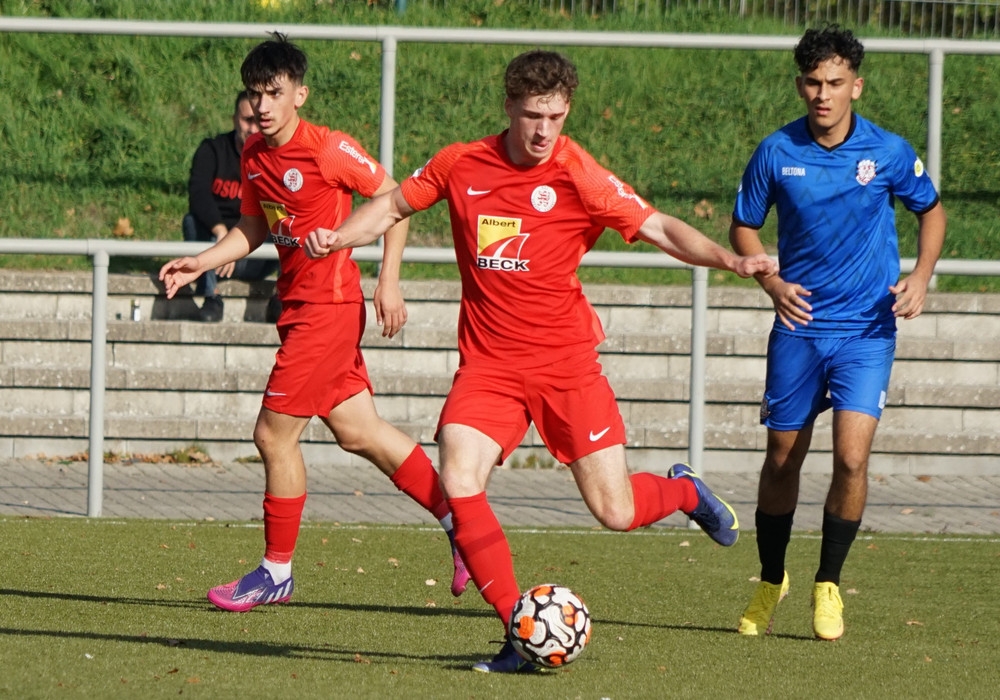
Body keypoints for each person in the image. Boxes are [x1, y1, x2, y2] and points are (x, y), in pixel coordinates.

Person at [305, 49, 778, 672]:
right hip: (489, 368)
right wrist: (341, 236)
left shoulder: (580, 174)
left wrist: (730, 259)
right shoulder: (461, 163)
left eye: (555, 117)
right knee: (459, 476)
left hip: (566, 367)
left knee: (616, 511)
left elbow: (660, 227)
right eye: (532, 115)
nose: (543, 131)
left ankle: (684, 493)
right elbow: (392, 206)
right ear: (509, 107)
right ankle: (517, 633)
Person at [160, 33, 470, 612]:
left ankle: (276, 571)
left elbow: (395, 200)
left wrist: (388, 281)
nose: (263, 105)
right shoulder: (255, 154)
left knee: (272, 435)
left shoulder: (328, 149)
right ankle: (463, 525)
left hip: (328, 311)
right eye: (255, 94)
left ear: (299, 94)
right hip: (299, 308)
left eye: (274, 93)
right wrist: (200, 261)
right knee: (359, 432)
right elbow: (254, 227)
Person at [728, 25, 946, 641]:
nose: (822, 94)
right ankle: (772, 578)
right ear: (800, 85)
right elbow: (743, 226)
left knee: (852, 458)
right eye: (812, 83)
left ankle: (828, 583)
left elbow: (931, 211)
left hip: (866, 331)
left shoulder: (889, 152)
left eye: (834, 82)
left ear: (856, 85)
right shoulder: (776, 151)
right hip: (799, 327)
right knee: (781, 459)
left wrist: (920, 276)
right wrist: (772, 282)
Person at [183, 89, 280, 322]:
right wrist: (221, 233)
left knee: (286, 225)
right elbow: (198, 194)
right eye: (247, 120)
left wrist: (240, 244)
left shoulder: (275, 158)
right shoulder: (212, 150)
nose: (253, 128)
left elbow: (279, 208)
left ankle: (281, 298)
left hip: (256, 249)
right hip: (216, 247)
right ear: (235, 119)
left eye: (258, 121)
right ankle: (211, 296)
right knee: (192, 222)